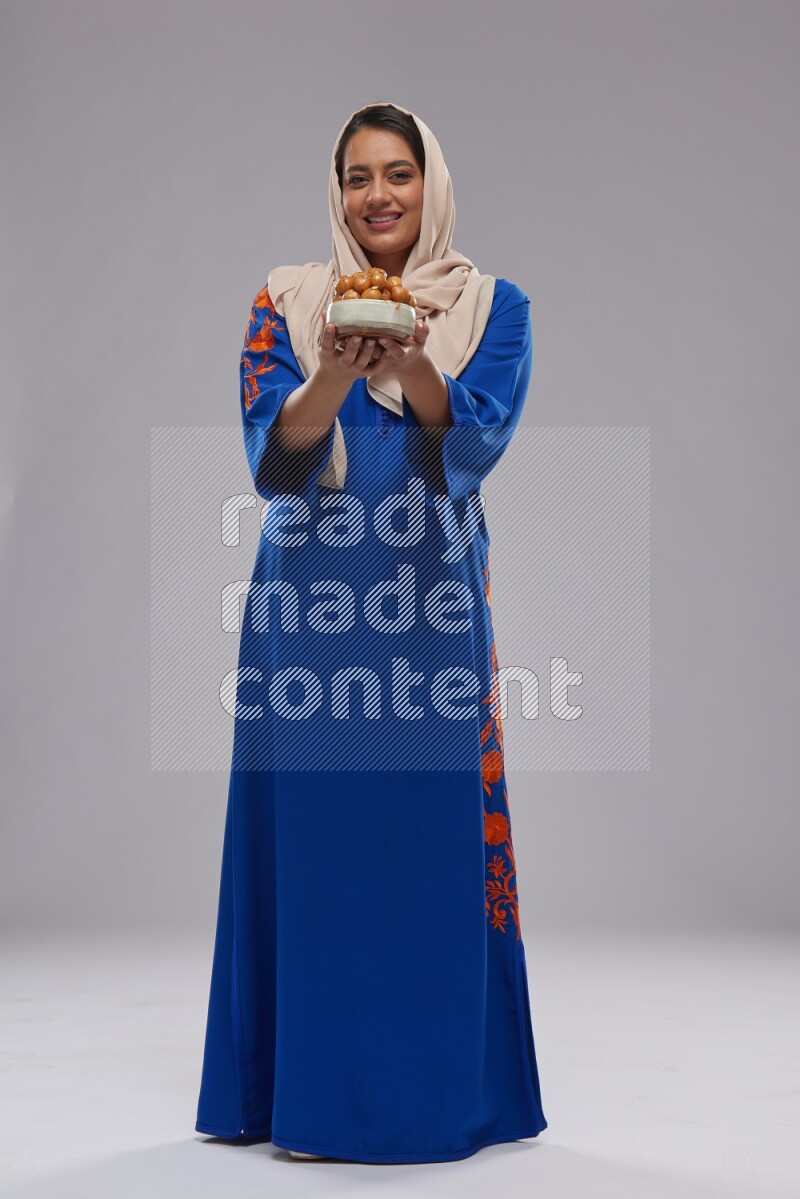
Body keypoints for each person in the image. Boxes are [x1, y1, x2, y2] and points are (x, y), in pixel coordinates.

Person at [195, 100, 548, 1165]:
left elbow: (467, 452)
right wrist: (340, 367)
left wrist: (411, 364)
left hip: (430, 598)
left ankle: (437, 1089)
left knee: (427, 839)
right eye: (357, 176)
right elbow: (274, 458)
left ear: (429, 184)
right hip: (308, 604)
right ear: (337, 191)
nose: (378, 194)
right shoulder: (287, 301)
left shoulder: (492, 306)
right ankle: (306, 1091)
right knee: (319, 843)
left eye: (398, 172)